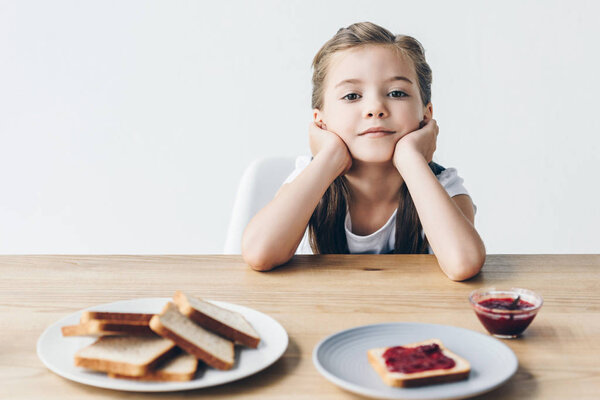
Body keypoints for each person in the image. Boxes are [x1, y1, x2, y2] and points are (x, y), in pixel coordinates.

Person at [242, 22, 486, 280]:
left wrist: (411, 160)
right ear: (320, 121)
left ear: (426, 114)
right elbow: (260, 253)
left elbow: (464, 263)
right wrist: (329, 158)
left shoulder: (443, 186)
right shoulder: (310, 178)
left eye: (396, 92)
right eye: (351, 96)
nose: (375, 108)